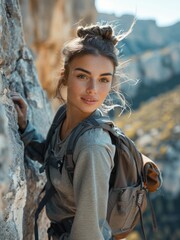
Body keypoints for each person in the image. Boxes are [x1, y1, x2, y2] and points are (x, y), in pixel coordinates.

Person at [11, 24, 132, 240]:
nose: (93, 89)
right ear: (64, 75)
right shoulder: (65, 116)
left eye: (104, 79)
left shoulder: (93, 146)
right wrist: (25, 128)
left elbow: (88, 235)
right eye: (83, 76)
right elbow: (54, 157)